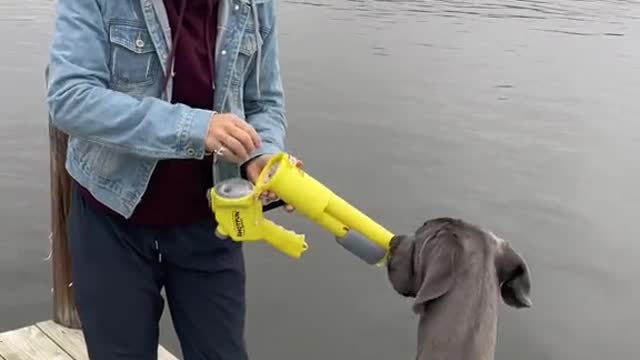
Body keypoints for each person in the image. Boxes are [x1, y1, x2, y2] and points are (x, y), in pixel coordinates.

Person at [45, 0, 299, 359]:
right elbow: (70, 99)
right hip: (112, 222)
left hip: (211, 222)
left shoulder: (256, 5)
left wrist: (262, 154)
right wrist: (196, 127)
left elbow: (263, 103)